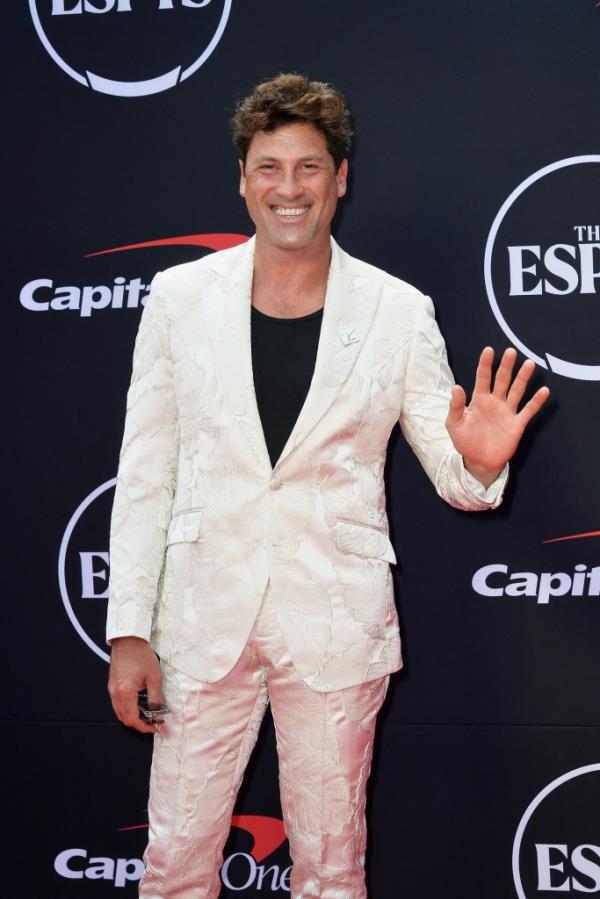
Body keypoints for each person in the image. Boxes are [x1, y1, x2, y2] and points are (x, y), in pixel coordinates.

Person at [106, 73, 549, 898]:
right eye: (269, 167)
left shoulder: (398, 310)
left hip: (336, 624)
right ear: (241, 177)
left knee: (333, 873)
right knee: (172, 869)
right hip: (202, 621)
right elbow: (144, 472)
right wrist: (129, 626)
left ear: (340, 177)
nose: (289, 188)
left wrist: (484, 459)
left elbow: (455, 477)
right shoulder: (177, 299)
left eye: (309, 167)